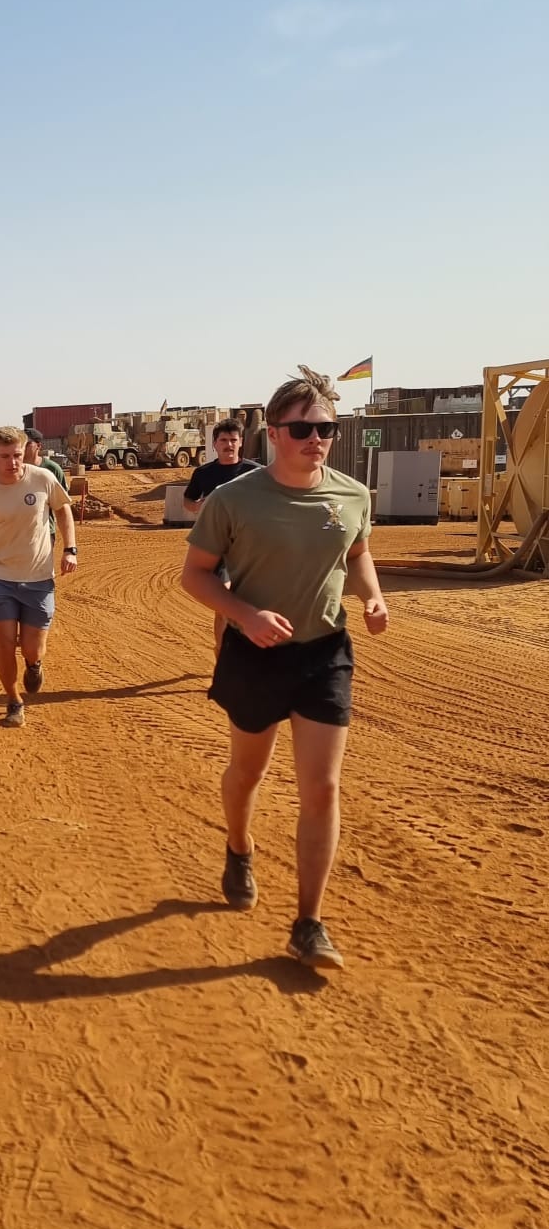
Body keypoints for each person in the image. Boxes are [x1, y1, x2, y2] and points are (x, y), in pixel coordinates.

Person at [180, 369, 386, 972]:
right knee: (248, 772)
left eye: (326, 428)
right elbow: (194, 575)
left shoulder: (352, 495)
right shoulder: (232, 500)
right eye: (302, 429)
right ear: (273, 433)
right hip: (255, 653)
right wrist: (244, 615)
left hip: (325, 653)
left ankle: (308, 924)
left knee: (322, 787)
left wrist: (372, 596)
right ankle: (239, 846)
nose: (315, 438)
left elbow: (358, 552)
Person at [0, 426, 77, 727]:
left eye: (18, 456)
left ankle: (34, 665)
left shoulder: (42, 479)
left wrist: (70, 549)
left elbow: (62, 510)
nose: (13, 463)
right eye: (5, 456)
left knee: (32, 647)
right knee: (5, 643)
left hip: (38, 578)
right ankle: (13, 700)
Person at [182, 417, 262, 660]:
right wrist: (198, 506)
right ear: (214, 444)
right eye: (223, 440)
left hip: (251, 546)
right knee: (224, 601)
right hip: (217, 546)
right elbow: (188, 500)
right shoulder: (204, 473)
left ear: (241, 443)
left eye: (233, 440)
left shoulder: (256, 473)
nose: (229, 444)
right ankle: (222, 654)